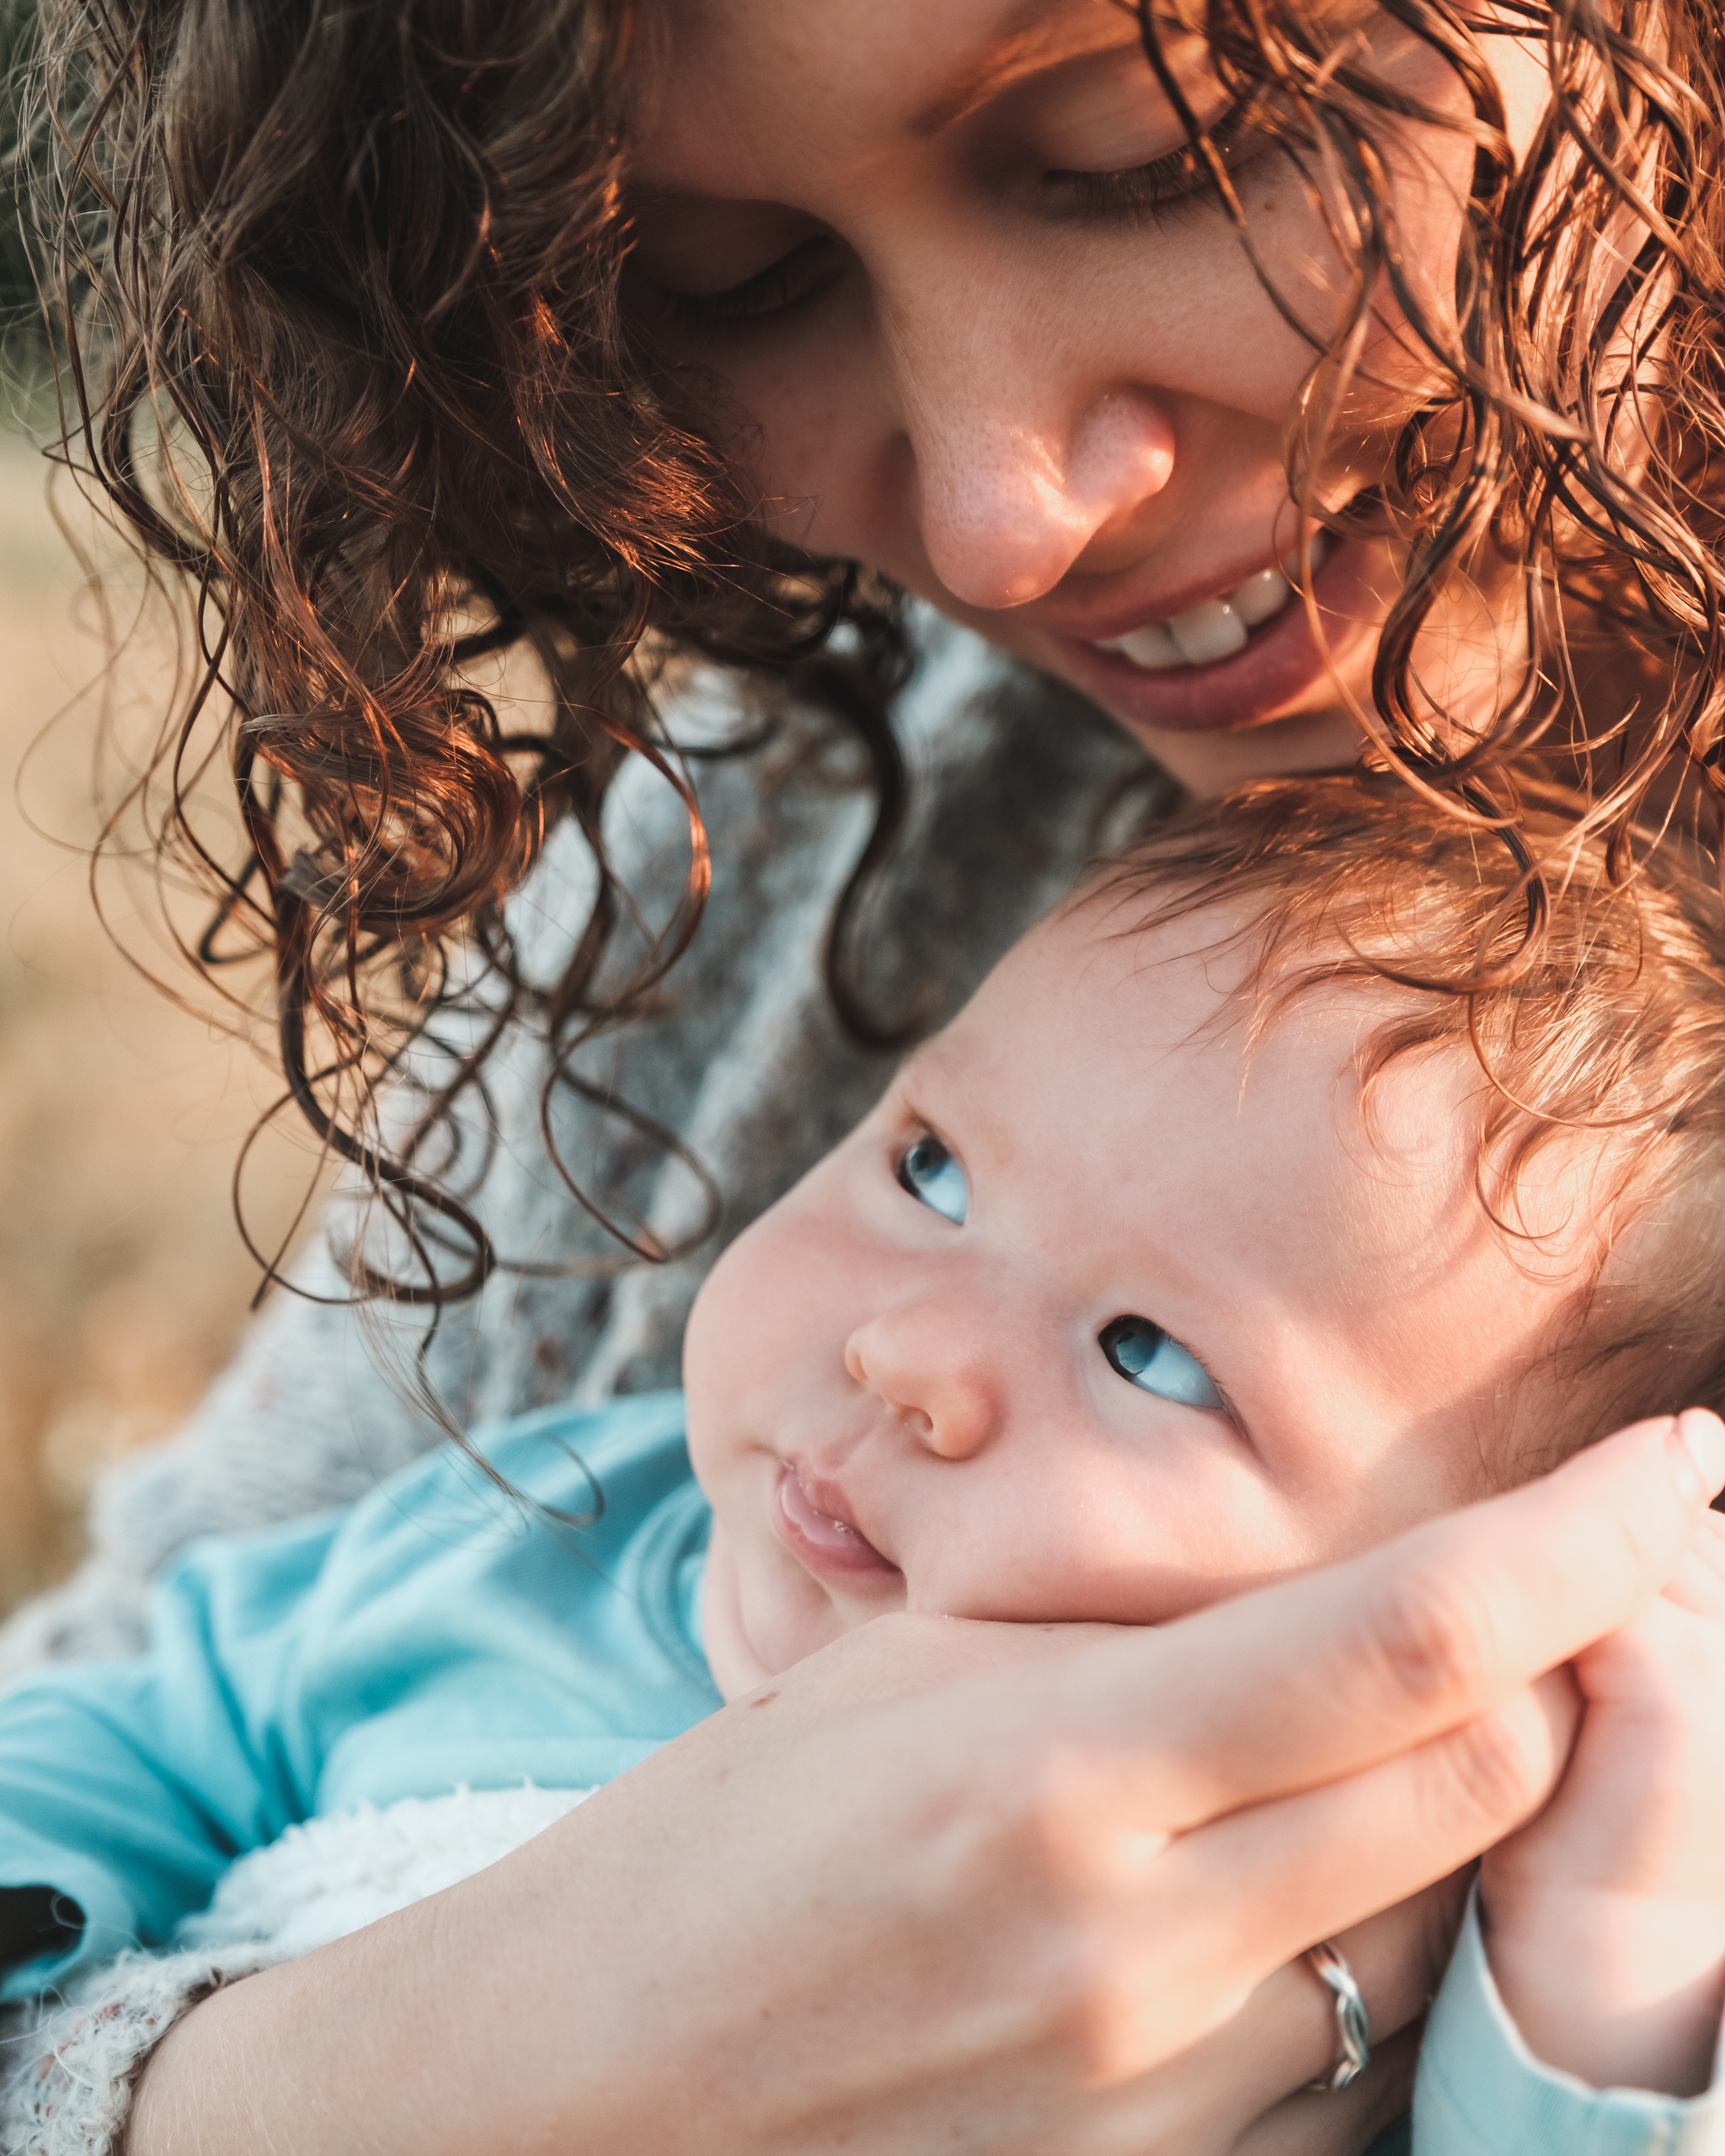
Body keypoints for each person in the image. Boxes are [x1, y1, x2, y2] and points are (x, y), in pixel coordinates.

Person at [6, 0, 1724, 2148]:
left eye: (1152, 154)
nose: (1003, 524)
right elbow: (107, 1713)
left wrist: (1592, 1993)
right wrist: (337, 2092)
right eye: (734, 281)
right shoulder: (569, 1478)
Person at [7, 777, 1725, 2156]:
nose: (905, 1350)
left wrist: (1600, 1961)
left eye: (1149, 1352)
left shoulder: (1330, 1928)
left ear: (1499, 1605)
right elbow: (122, 1733)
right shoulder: (550, 1521)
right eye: (932, 1171)